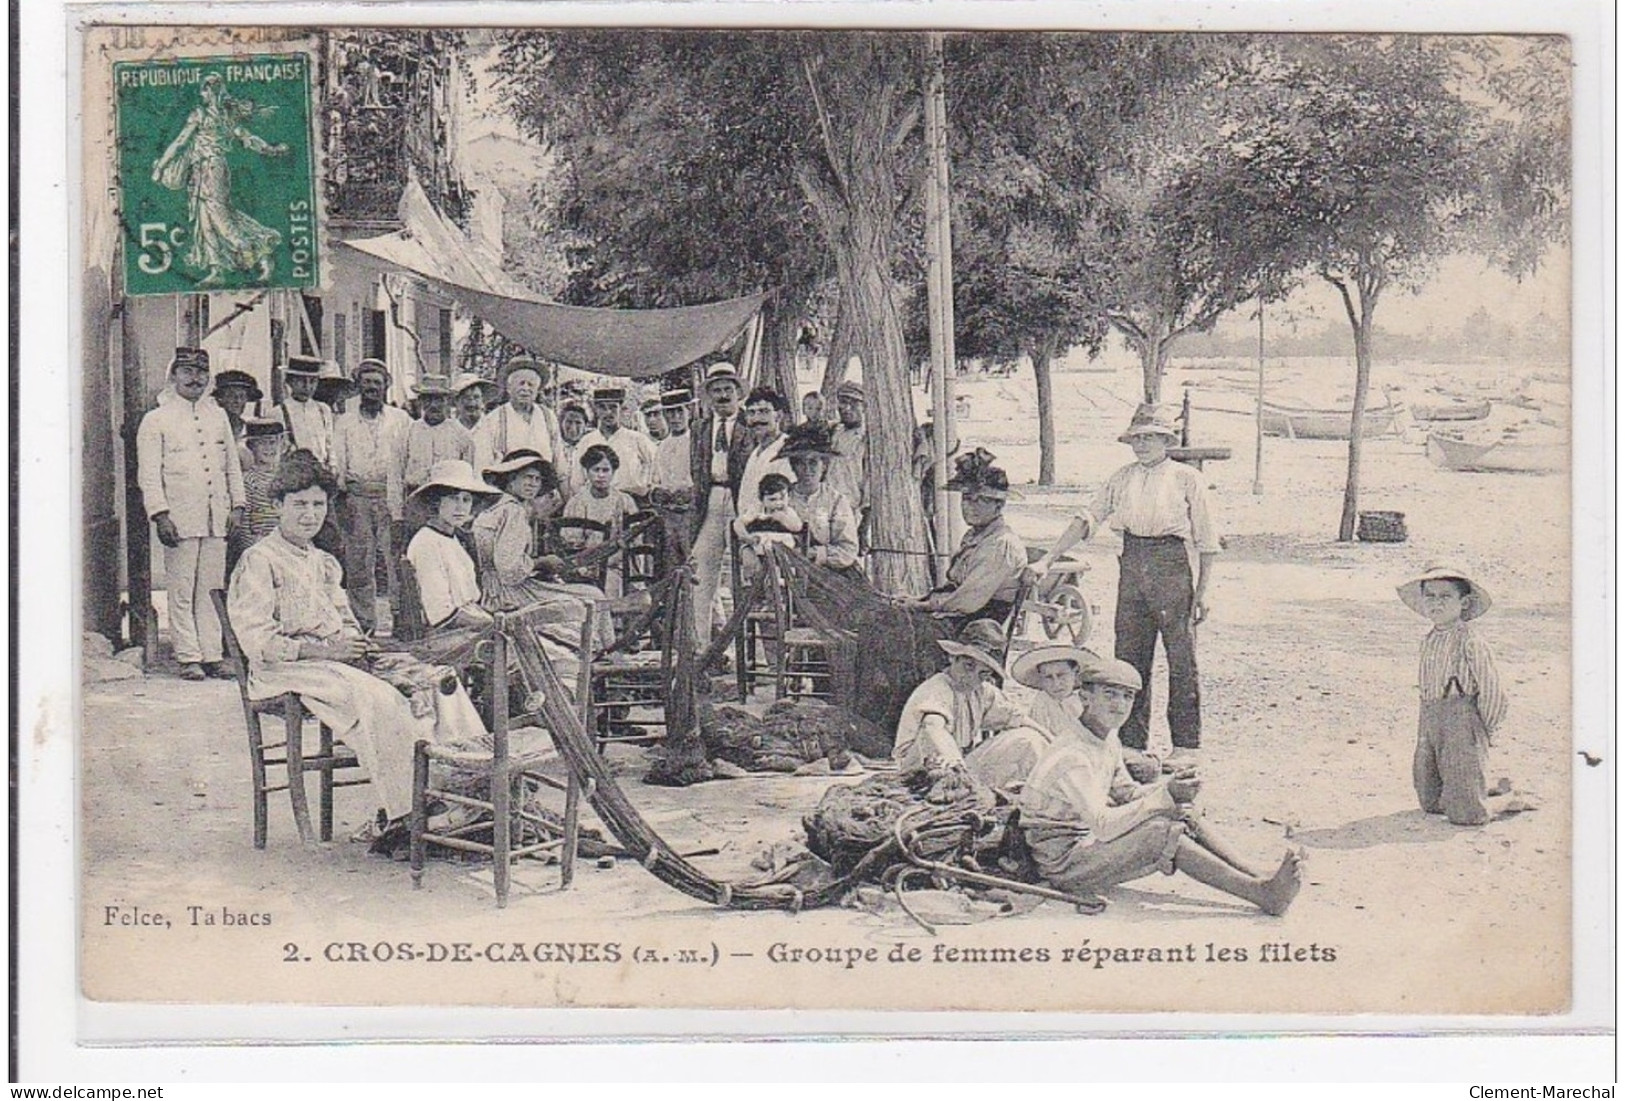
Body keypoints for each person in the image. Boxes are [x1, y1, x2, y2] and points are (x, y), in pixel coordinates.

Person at [227, 449, 488, 832]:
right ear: (278, 505)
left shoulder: (324, 562)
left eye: (318, 505)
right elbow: (257, 641)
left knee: (435, 679)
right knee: (381, 698)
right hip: (284, 668)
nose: (309, 515)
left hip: (332, 662)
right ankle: (408, 812)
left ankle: (470, 790)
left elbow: (344, 620)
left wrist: (359, 648)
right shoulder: (259, 560)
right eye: (299, 504)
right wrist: (326, 650)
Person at [1019, 657, 1303, 915]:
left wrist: (1174, 790)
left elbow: (1125, 793)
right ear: (1085, 697)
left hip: (1081, 843)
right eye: (1109, 695)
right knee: (1159, 834)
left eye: (1127, 697)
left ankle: (1252, 873)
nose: (1119, 705)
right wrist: (1164, 797)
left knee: (1181, 809)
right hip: (1059, 861)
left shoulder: (1105, 739)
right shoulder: (1073, 754)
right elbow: (1103, 825)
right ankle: (1262, 894)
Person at [1034, 403, 1219, 763]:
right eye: (1137, 438)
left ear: (1167, 440)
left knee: (1181, 660)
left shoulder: (1186, 478)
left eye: (1150, 437)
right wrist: (1048, 559)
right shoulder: (1121, 478)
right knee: (1129, 659)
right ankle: (1133, 744)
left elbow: (1208, 540)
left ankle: (1186, 746)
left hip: (1172, 566)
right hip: (1132, 565)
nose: (1143, 445)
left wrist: (1203, 592)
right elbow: (1088, 518)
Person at [136, 346, 246, 680]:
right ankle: (188, 657)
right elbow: (149, 474)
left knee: (211, 587)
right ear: (173, 376)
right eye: (186, 372)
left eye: (200, 372)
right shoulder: (157, 420)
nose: (194, 378)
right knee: (182, 588)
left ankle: (212, 654)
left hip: (217, 515)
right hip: (180, 517)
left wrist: (237, 504)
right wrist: (160, 514)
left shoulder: (217, 417)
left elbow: (231, 466)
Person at [1397, 565, 1524, 826]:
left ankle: (1508, 800)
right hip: (1430, 720)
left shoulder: (1470, 642)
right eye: (1430, 596)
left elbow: (1493, 691)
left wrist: (1480, 731)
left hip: (1462, 722)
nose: (1436, 603)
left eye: (1445, 596)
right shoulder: (1429, 640)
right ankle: (1482, 785)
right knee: (1431, 800)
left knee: (1466, 815)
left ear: (1464, 603)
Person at [149, 72, 288, 286]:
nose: (201, 93)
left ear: (212, 91)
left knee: (221, 221)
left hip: (211, 170)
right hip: (203, 171)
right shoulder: (226, 117)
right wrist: (271, 149)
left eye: (204, 89)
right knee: (205, 221)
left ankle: (260, 256)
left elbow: (179, 142)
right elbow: (248, 139)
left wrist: (161, 166)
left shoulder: (202, 115)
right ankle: (217, 270)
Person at [891, 618, 1051, 794]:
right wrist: (953, 760)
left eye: (982, 674)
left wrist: (1053, 744)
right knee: (936, 752)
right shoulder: (937, 688)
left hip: (960, 764)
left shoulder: (981, 691)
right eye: (969, 666)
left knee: (1028, 738)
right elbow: (933, 727)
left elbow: (1018, 718)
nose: (973, 678)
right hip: (922, 768)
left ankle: (1043, 792)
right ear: (953, 658)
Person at [472, 449, 607, 652]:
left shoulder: (494, 508)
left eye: (537, 479)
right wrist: (540, 563)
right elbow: (509, 571)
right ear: (510, 480)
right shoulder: (513, 511)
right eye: (527, 477)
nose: (533, 484)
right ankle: (600, 654)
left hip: (492, 588)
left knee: (579, 591)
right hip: (506, 594)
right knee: (593, 596)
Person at [906, 449, 1028, 633]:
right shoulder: (974, 536)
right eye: (967, 499)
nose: (970, 506)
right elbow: (955, 586)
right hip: (959, 616)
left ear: (999, 505)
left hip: (976, 628)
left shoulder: (999, 544)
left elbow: (967, 601)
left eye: (981, 500)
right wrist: (919, 600)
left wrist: (921, 606)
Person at [330, 359, 411, 633]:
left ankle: (402, 620)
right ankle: (365, 624)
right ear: (357, 386)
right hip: (357, 497)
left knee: (396, 560)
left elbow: (406, 461)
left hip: (392, 497)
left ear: (386, 386)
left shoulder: (401, 421)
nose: (372, 388)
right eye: (366, 383)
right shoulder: (344, 422)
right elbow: (338, 462)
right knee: (359, 563)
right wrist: (342, 498)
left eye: (377, 383)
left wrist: (401, 504)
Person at [687, 362, 755, 655]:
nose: (723, 396)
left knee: (745, 575)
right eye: (717, 391)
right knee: (700, 571)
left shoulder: (750, 425)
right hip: (711, 500)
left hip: (743, 501)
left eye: (728, 389)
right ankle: (700, 649)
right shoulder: (699, 428)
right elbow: (696, 468)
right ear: (709, 396)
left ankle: (747, 652)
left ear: (739, 394)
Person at [403, 461, 498, 632]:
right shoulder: (427, 543)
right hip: (451, 635)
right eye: (453, 498)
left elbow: (468, 600)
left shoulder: (453, 539)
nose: (460, 507)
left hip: (472, 624)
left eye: (466, 499)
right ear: (436, 502)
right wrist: (492, 624)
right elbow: (441, 615)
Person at [782, 421, 860, 575]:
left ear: (824, 466)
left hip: (826, 576)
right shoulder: (782, 497)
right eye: (800, 463)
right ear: (793, 466)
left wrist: (814, 554)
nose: (807, 470)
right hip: (786, 572)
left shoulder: (836, 501)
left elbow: (848, 549)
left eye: (813, 463)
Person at [471, 357, 565, 478]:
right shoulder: (493, 420)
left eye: (531, 384)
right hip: (506, 490)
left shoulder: (548, 417)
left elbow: (559, 462)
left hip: (543, 488)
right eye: (521, 383)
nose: (526, 388)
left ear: (537, 390)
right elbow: (482, 466)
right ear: (509, 388)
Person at [398, 376, 474, 505]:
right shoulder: (408, 432)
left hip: (449, 500)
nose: (433, 405)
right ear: (420, 401)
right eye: (428, 399)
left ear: (449, 402)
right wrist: (397, 515)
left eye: (439, 399)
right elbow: (396, 475)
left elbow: (470, 476)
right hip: (415, 500)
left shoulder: (461, 434)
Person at [227, 417, 286, 576]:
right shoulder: (248, 480)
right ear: (251, 447)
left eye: (273, 442)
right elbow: (244, 523)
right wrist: (252, 550)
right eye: (262, 443)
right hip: (259, 544)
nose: (269, 448)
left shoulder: (286, 478)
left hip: (285, 544)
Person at [577, 386, 658, 500]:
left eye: (613, 407)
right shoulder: (586, 441)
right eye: (602, 407)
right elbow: (577, 481)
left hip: (633, 501)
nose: (608, 412)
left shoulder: (637, 439)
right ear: (596, 410)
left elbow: (656, 466)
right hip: (596, 503)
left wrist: (644, 487)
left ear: (621, 409)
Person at [650, 388, 696, 566]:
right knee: (670, 564)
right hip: (668, 516)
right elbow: (654, 479)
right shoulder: (662, 446)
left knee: (691, 562)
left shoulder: (696, 441)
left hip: (690, 514)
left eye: (680, 411)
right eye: (670, 412)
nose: (675, 417)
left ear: (689, 412)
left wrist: (687, 491)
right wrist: (658, 491)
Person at [735, 387, 794, 521]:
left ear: (778, 416)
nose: (756, 419)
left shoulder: (786, 450)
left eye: (764, 412)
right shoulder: (756, 452)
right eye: (751, 413)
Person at [275, 355, 334, 464]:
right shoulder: (278, 412)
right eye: (301, 381)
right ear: (290, 381)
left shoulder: (323, 410)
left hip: (321, 471)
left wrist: (332, 465)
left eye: (312, 381)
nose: (307, 387)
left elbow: (330, 445)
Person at [828, 380, 868, 538]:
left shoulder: (866, 437)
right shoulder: (835, 431)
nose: (845, 408)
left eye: (852, 403)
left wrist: (865, 525)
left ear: (864, 406)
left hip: (852, 510)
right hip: (827, 507)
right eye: (842, 402)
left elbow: (870, 483)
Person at [210, 370, 262, 461]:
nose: (237, 401)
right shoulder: (211, 429)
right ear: (220, 399)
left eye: (242, 396)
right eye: (231, 396)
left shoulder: (252, 430)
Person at [557, 401, 591, 500]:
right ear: (561, 423)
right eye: (569, 422)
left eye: (578, 423)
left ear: (585, 425)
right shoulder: (554, 448)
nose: (573, 427)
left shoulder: (590, 448)